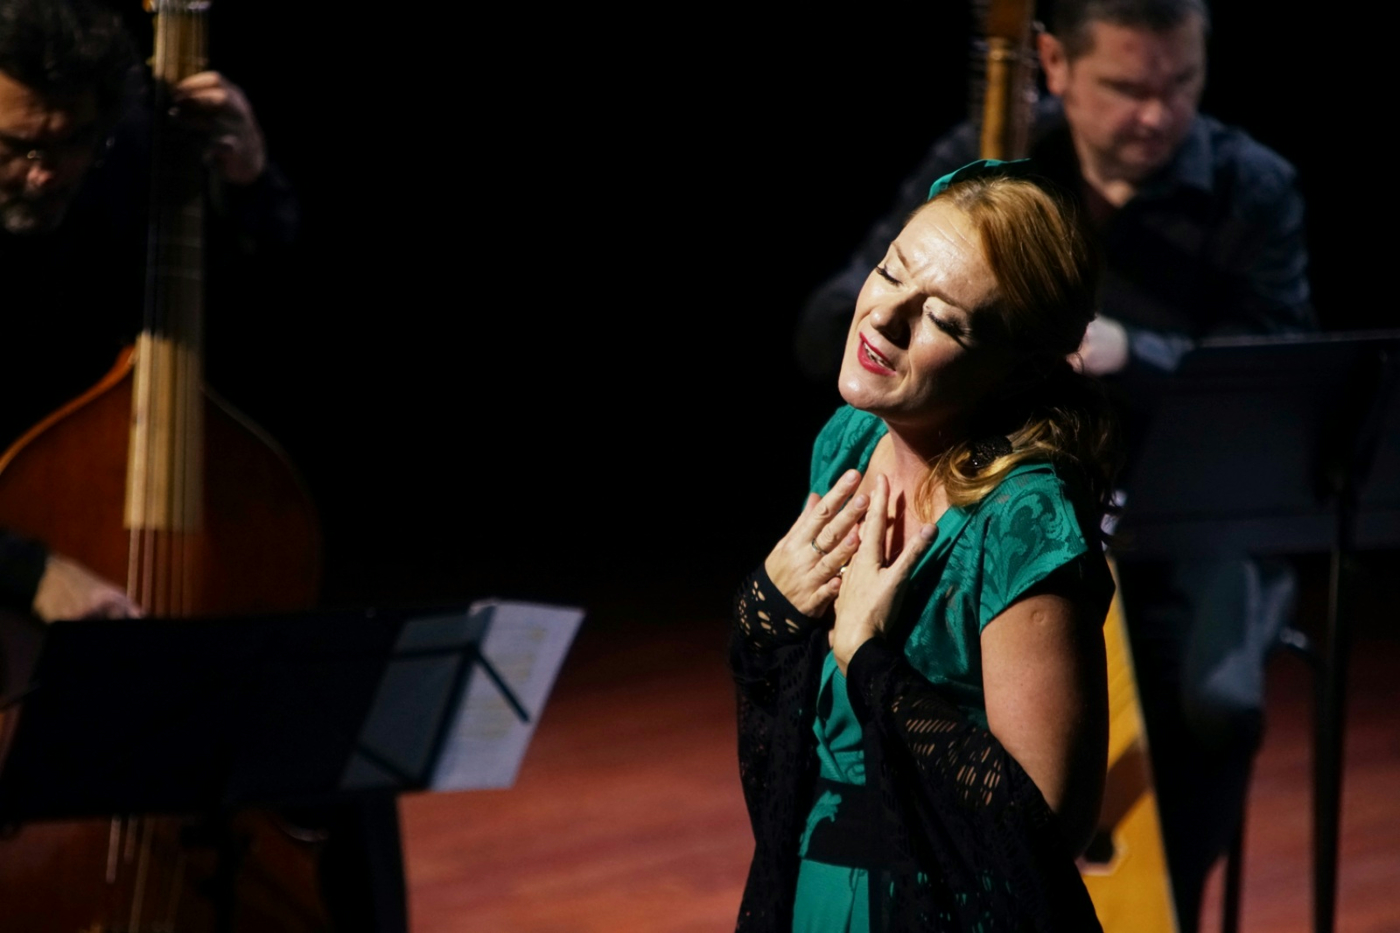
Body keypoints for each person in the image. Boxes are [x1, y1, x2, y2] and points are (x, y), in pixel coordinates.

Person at [792, 3, 1311, 928]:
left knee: (1217, 703)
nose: (1157, 112)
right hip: (1003, 481)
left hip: (1185, 516)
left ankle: (1165, 905)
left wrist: (1131, 352)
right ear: (1053, 65)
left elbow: (1280, 379)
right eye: (1127, 87)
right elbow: (833, 315)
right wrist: (932, 337)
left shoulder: (1253, 187)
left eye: (1181, 84)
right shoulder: (991, 155)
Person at [733, 161, 1119, 932]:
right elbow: (795, 740)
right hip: (816, 891)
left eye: (941, 318)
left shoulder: (1025, 519)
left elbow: (1046, 830)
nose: (883, 317)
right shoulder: (849, 440)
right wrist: (764, 609)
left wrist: (875, 665)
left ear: (1016, 368)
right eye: (890, 271)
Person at [0, 0, 295, 623]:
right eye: (18, 146)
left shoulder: (126, 148)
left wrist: (251, 182)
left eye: (73, 142)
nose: (45, 175)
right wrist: (32, 570)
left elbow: (279, 312)